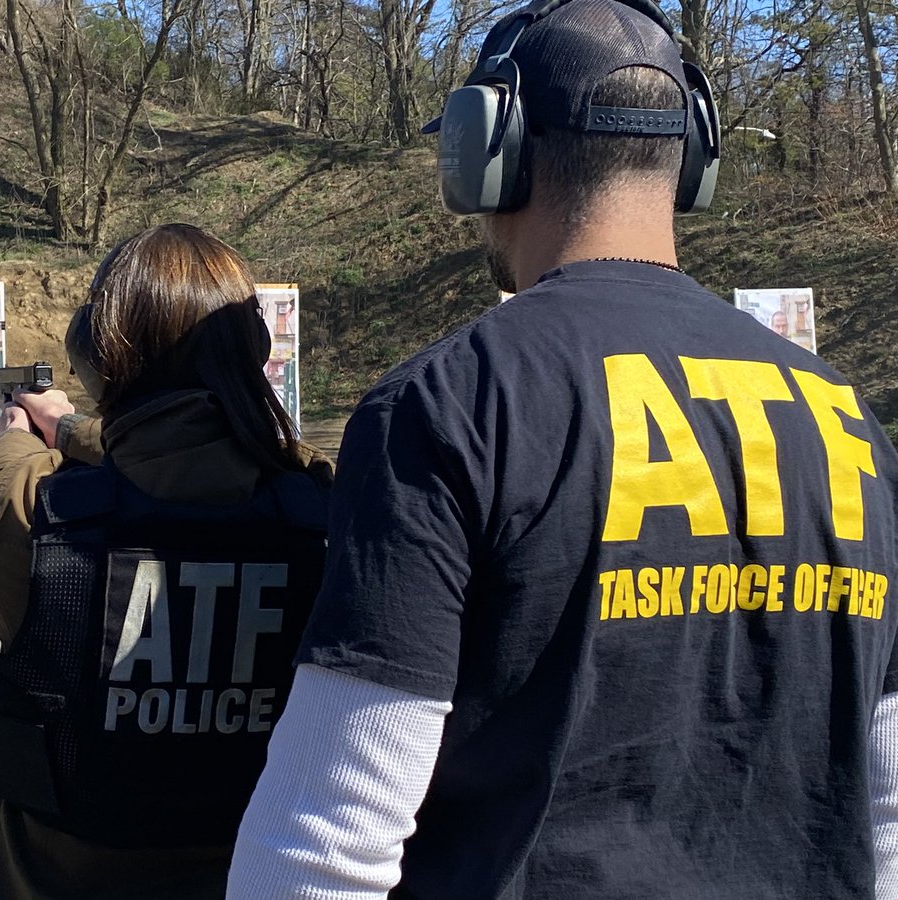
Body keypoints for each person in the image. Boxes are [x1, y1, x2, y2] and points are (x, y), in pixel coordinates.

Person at [228, 1, 898, 897]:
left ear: (487, 152)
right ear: (689, 158)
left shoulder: (447, 404)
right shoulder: (847, 419)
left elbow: (323, 846)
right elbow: (884, 810)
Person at [0, 223, 333, 899]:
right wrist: (74, 428)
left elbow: (7, 482)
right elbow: (231, 460)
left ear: (94, 354)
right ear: (253, 352)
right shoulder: (324, 516)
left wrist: (39, 431)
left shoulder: (23, 518)